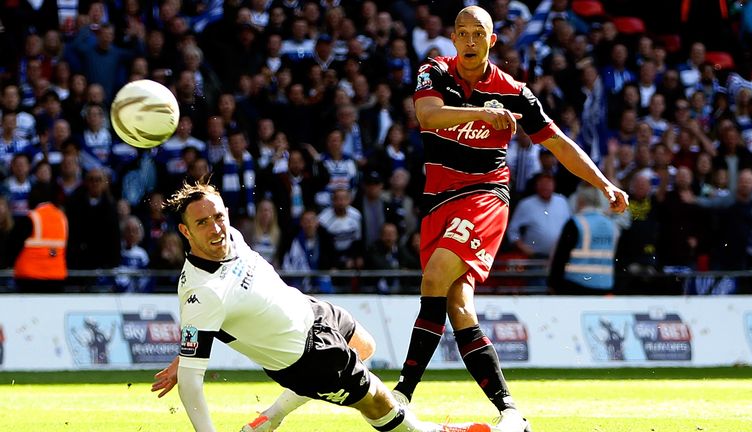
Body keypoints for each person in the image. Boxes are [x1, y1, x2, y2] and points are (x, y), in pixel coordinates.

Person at [393, 6, 629, 432]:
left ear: (491, 40)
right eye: (461, 32)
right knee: (459, 306)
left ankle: (401, 394)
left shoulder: (515, 91)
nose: (468, 41)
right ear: (452, 37)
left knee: (435, 276)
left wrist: (605, 184)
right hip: (437, 201)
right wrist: (482, 114)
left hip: (484, 196)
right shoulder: (433, 71)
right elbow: (427, 116)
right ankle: (510, 411)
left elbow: (558, 143)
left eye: (477, 33)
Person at [151, 181, 505, 432]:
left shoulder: (232, 237)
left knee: (366, 346)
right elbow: (191, 385)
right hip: (306, 357)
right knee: (379, 402)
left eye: (218, 217)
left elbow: (206, 327)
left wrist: (185, 352)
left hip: (312, 312)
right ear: (185, 231)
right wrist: (188, 366)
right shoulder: (202, 292)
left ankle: (270, 417)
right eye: (202, 223)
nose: (216, 229)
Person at [548, 186, 620, 295]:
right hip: (605, 285)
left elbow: (561, 255)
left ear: (580, 200)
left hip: (575, 284)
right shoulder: (612, 225)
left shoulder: (575, 223)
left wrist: (553, 283)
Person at [4, 183, 68, 293]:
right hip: (57, 277)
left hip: (30, 278)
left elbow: (11, 246)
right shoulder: (62, 218)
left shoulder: (31, 218)